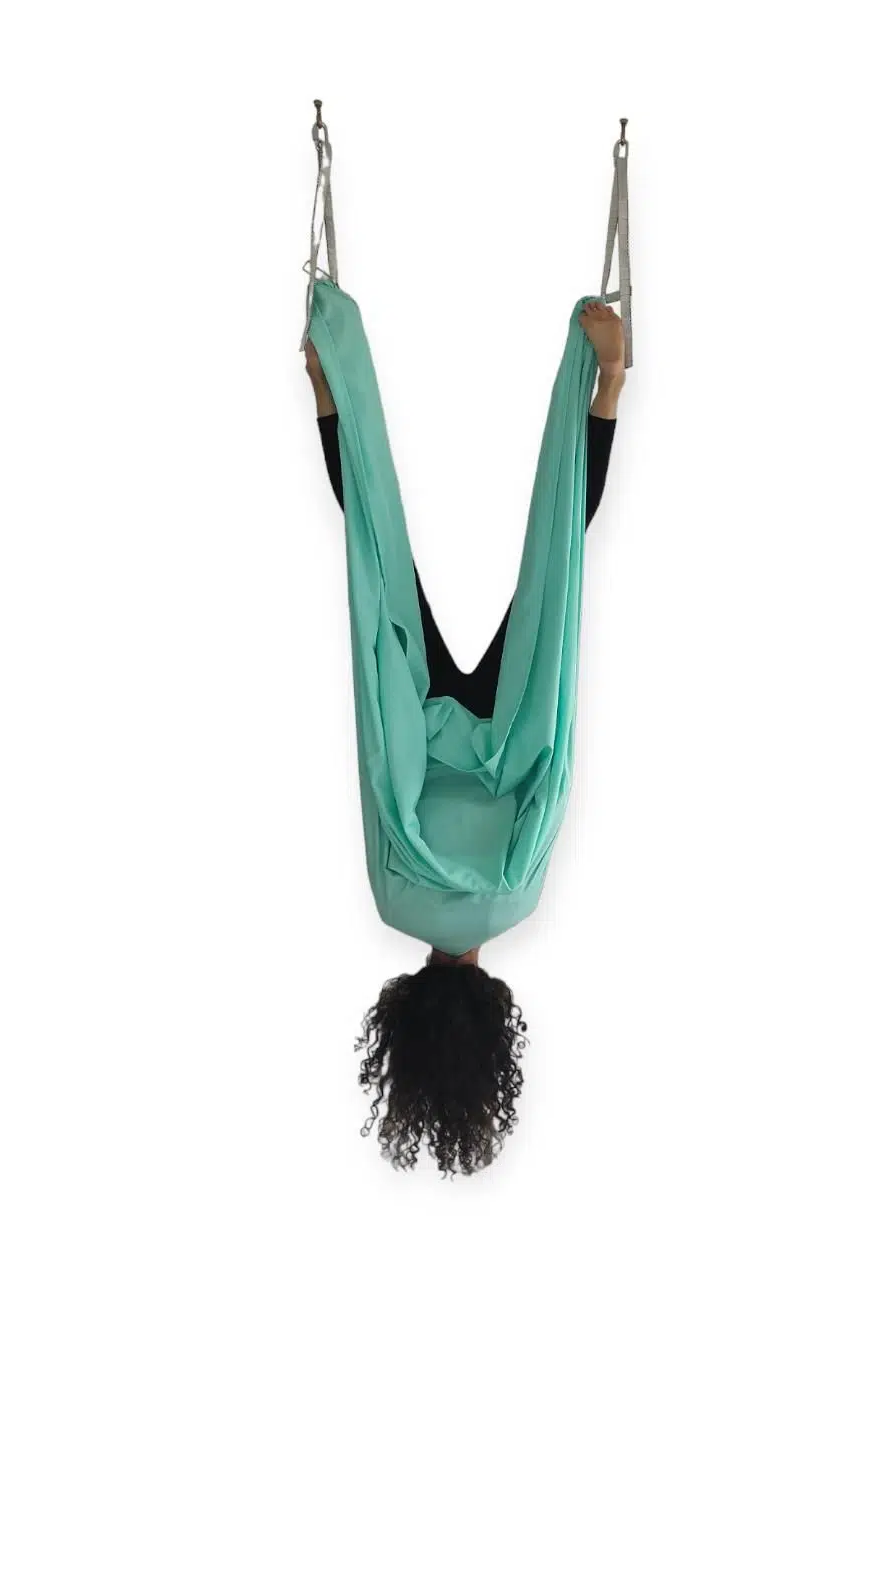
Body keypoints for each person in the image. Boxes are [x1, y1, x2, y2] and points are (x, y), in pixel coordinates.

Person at [304, 301, 626, 1174]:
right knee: (376, 558)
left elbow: (546, 792)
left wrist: (539, 708)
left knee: (560, 561)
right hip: (413, 713)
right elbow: (381, 780)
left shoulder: (516, 902)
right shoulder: (392, 902)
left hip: (513, 725)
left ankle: (606, 386)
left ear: (491, 1011)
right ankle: (329, 387)